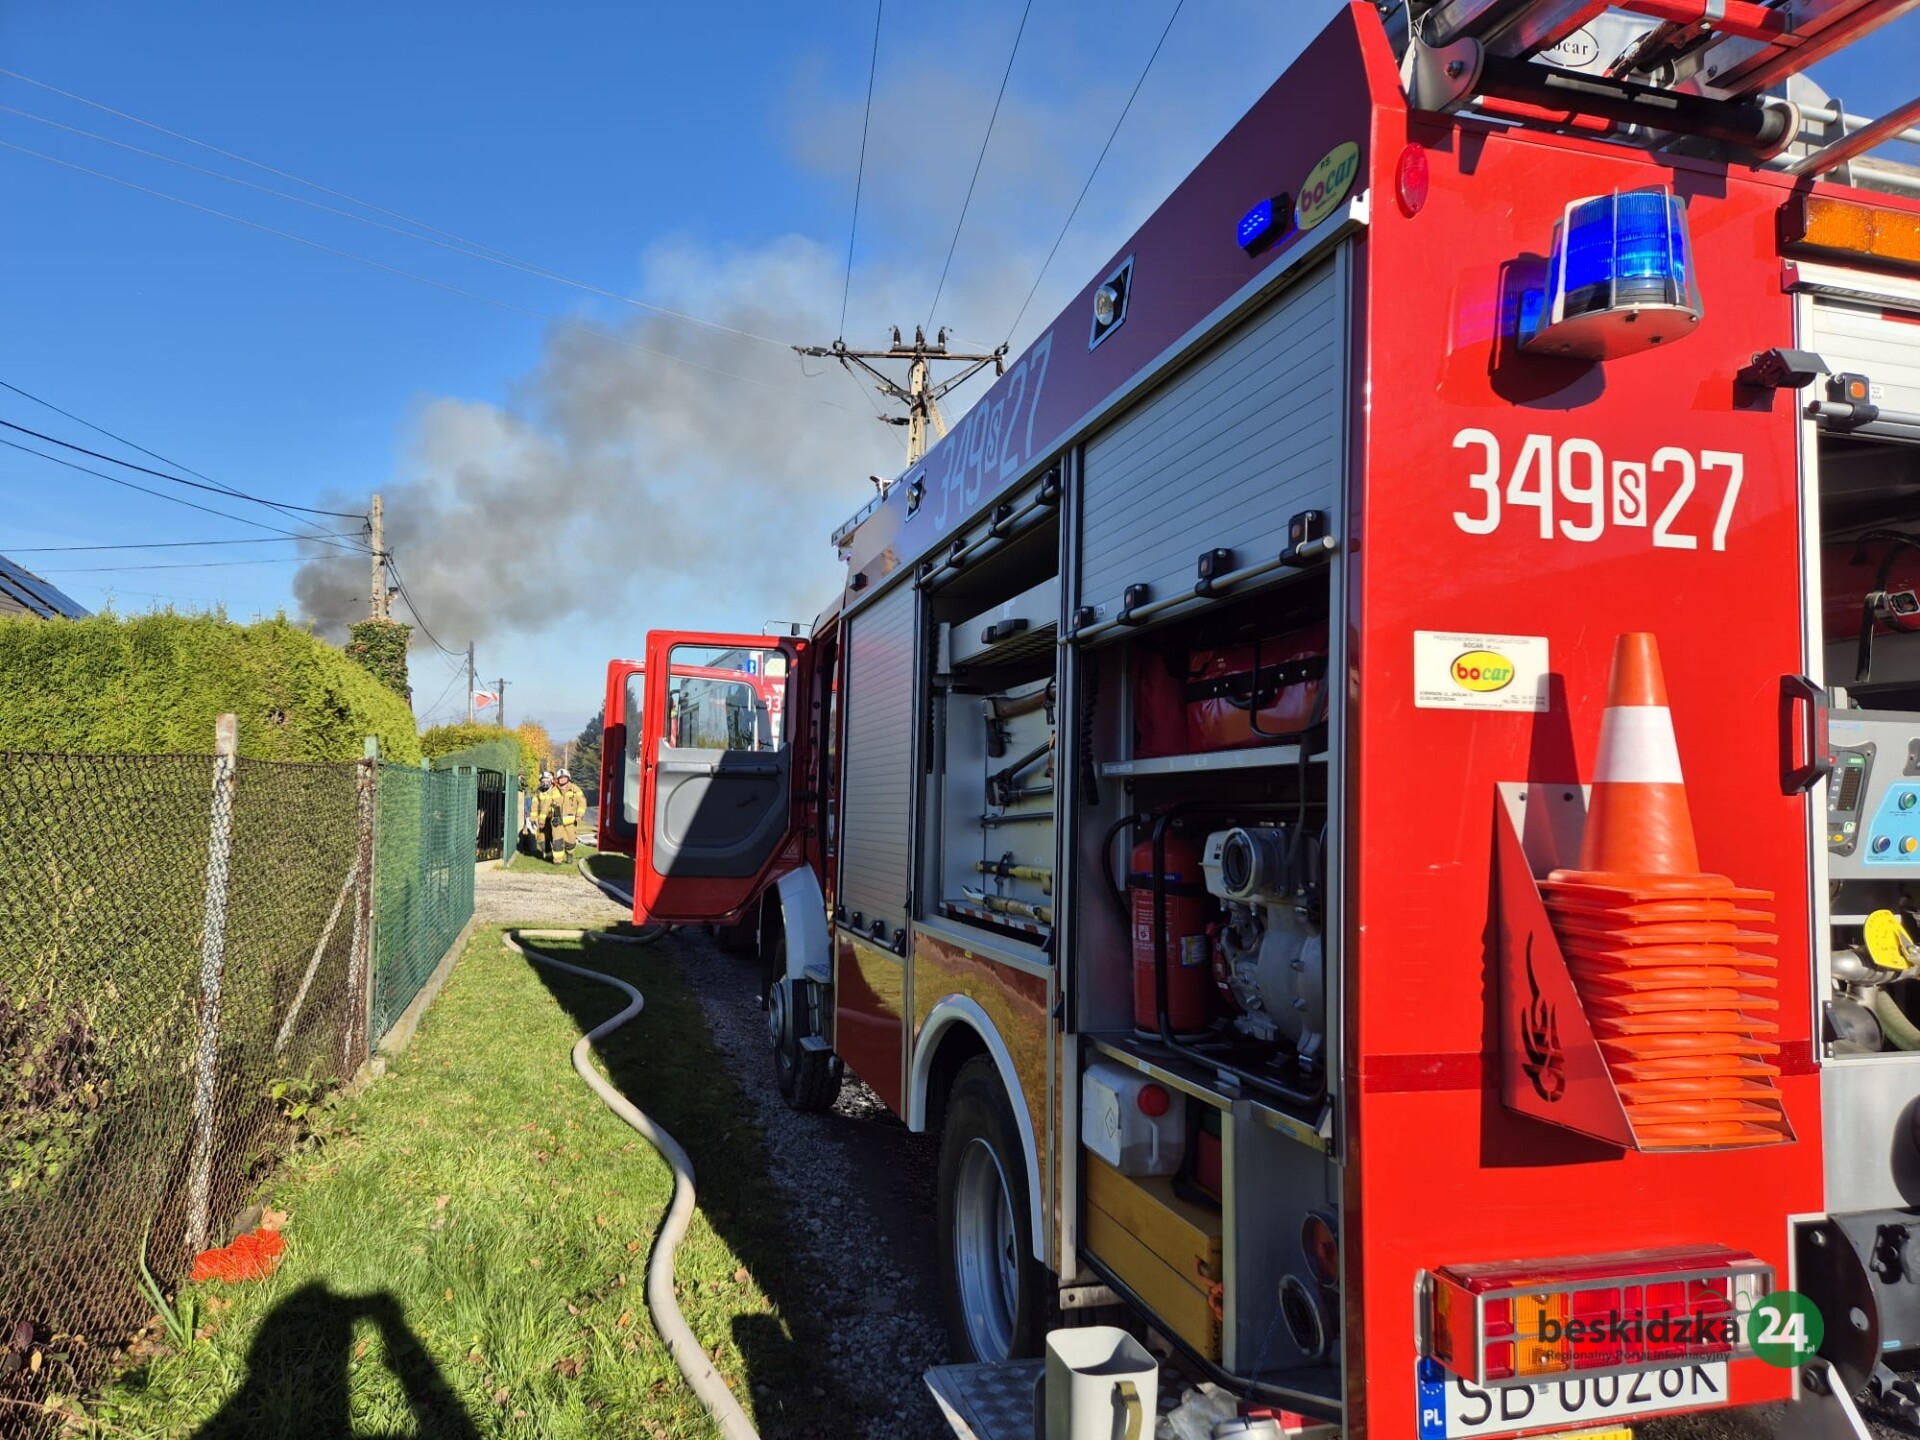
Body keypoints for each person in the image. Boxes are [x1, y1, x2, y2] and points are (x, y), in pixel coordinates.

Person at [553, 768, 588, 866]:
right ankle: (557, 860)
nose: (562, 780)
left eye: (564, 778)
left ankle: (569, 854)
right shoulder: (554, 790)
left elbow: (582, 801)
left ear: (568, 778)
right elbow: (548, 803)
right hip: (557, 820)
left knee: (570, 841)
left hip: (570, 820)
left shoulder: (575, 789)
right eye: (560, 778)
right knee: (557, 840)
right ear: (557, 779)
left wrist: (579, 814)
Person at [530, 771, 556, 862]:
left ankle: (556, 855)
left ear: (551, 781)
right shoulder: (538, 792)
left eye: (547, 781)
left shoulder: (555, 791)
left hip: (553, 818)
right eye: (543, 781)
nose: (545, 783)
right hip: (542, 820)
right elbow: (534, 805)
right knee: (542, 837)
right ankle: (546, 853)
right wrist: (533, 818)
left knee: (554, 836)